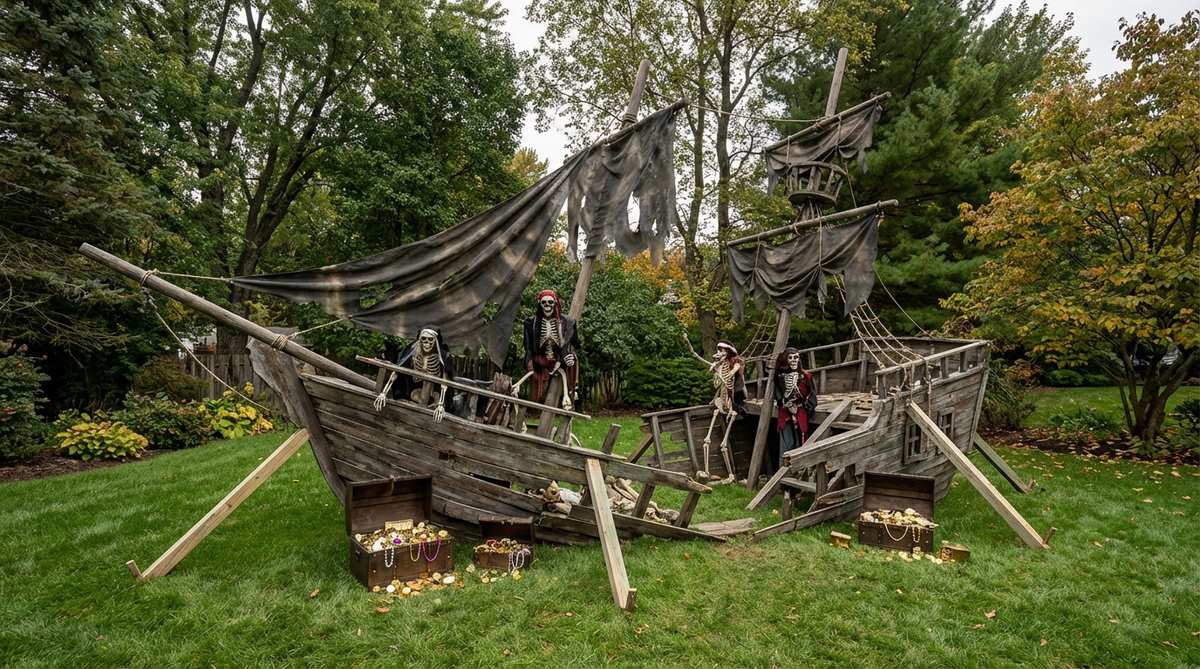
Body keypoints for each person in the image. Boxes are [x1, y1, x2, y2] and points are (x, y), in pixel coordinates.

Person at [373, 327, 455, 422]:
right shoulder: (413, 352)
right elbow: (397, 370)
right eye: (423, 339)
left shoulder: (443, 357)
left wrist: (441, 404)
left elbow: (444, 382)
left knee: (434, 399)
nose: (426, 342)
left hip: (435, 392)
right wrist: (383, 393)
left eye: (430, 339)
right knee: (413, 395)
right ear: (420, 340)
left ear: (435, 341)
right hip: (417, 391)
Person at [518, 289, 579, 408]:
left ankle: (573, 389)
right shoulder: (530, 323)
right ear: (539, 304)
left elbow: (574, 344)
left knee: (572, 358)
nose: (547, 306)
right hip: (539, 362)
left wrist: (567, 356)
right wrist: (529, 363)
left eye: (550, 302)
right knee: (536, 396)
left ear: (555, 303)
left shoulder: (568, 322)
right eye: (544, 302)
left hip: (559, 361)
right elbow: (528, 347)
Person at [772, 347, 816, 465]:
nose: (793, 360)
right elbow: (777, 393)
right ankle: (785, 468)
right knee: (788, 442)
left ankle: (802, 466)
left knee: (802, 439)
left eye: (796, 357)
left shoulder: (806, 376)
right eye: (790, 358)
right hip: (785, 412)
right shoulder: (779, 376)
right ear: (786, 360)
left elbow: (812, 395)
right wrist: (785, 404)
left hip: (801, 410)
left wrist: (806, 408)